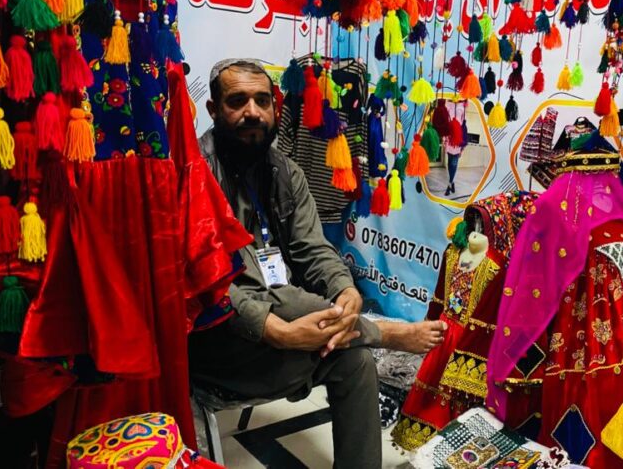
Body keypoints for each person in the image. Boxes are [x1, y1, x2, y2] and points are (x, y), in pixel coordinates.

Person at [188, 59, 447, 468]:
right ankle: (383, 333)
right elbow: (208, 284)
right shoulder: (192, 174)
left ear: (275, 107)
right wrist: (274, 330)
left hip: (282, 334)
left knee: (354, 359)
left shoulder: (284, 171)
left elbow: (314, 249)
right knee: (284, 296)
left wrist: (345, 289)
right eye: (237, 101)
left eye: (262, 101)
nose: (252, 112)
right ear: (214, 109)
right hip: (220, 347)